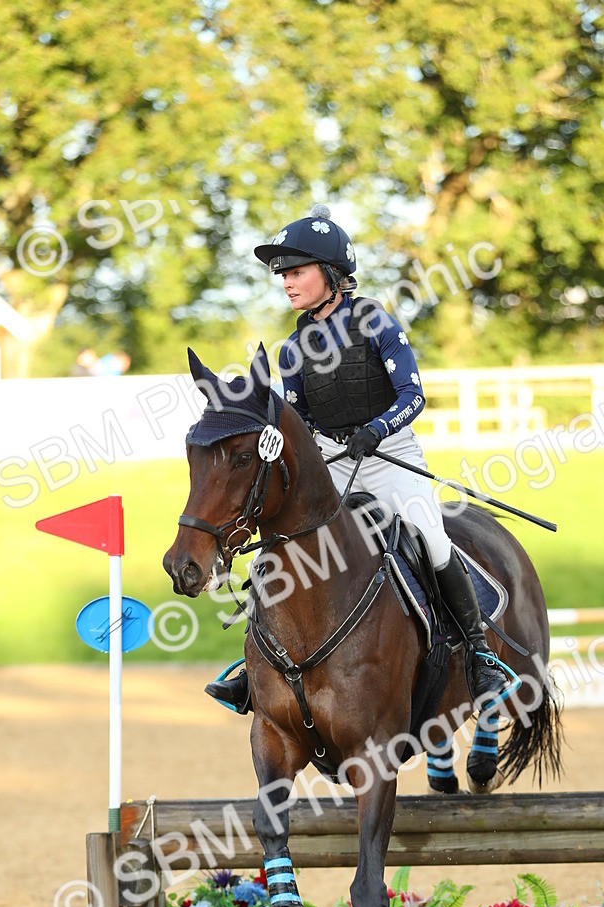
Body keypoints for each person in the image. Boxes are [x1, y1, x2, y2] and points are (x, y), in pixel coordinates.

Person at [205, 204, 512, 713]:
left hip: (389, 452)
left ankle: (478, 653)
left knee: (430, 536)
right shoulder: (292, 349)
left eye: (296, 271)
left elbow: (413, 396)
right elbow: (298, 419)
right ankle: (252, 667)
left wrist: (377, 429)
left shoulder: (373, 320)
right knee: (279, 549)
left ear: (330, 274)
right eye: (283, 273)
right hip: (333, 459)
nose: (286, 281)